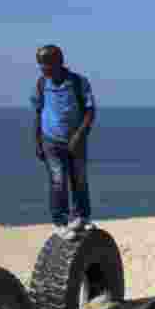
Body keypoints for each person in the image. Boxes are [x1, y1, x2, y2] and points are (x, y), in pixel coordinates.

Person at [30, 44, 97, 240]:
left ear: (59, 61)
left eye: (46, 64)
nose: (43, 68)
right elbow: (37, 114)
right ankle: (61, 222)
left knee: (79, 179)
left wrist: (79, 136)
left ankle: (81, 218)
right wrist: (37, 142)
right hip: (50, 140)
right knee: (58, 181)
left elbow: (90, 112)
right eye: (41, 65)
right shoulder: (41, 84)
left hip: (75, 141)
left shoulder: (78, 82)